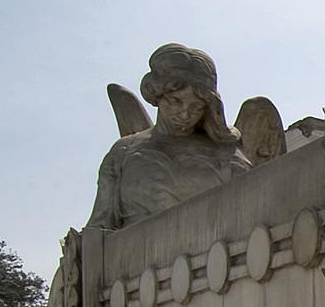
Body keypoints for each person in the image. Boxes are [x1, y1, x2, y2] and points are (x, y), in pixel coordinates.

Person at [86, 44, 252, 231]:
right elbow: (99, 229)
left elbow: (252, 208)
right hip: (139, 256)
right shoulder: (124, 152)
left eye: (196, 107)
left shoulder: (226, 152)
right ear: (157, 94)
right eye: (176, 101)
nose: (185, 114)